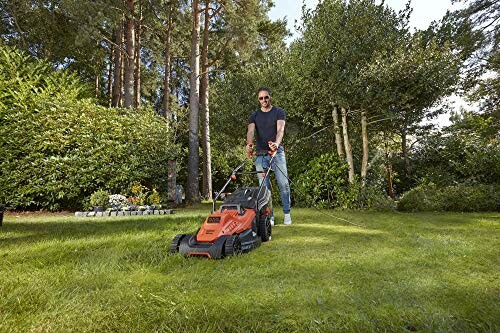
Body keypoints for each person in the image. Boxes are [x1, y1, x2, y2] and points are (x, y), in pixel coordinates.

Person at [246, 86, 292, 225]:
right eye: (261, 98)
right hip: (260, 155)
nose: (264, 100)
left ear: (270, 97)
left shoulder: (279, 112)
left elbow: (280, 129)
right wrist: (249, 143)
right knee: (264, 188)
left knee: (283, 184)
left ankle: (287, 213)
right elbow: (250, 131)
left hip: (277, 154)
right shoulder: (254, 116)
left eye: (266, 97)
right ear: (258, 100)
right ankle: (269, 216)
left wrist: (277, 144)